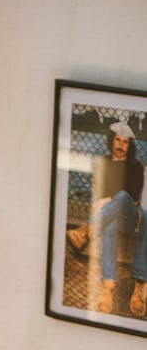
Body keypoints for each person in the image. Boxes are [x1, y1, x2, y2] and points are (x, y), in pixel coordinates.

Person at [67, 121, 144, 315]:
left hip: (129, 218)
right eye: (117, 140)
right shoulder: (103, 162)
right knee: (109, 227)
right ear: (111, 141)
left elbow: (133, 198)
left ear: (130, 145)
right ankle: (108, 286)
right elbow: (98, 193)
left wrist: (108, 199)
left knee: (123, 197)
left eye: (125, 142)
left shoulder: (136, 166)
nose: (120, 145)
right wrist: (105, 199)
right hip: (110, 219)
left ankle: (86, 231)